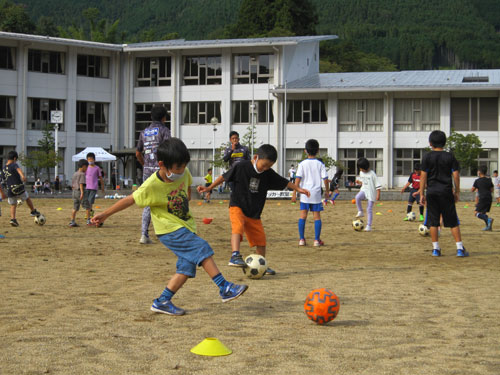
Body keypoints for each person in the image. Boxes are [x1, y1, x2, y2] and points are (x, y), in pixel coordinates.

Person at [91, 138, 248, 316]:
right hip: (169, 230)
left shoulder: (184, 172)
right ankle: (224, 287)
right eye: (177, 168)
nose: (181, 171)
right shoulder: (151, 185)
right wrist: (105, 214)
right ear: (162, 165)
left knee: (186, 269)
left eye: (183, 167)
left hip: (185, 226)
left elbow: (187, 190)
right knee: (202, 248)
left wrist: (187, 196)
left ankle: (162, 301)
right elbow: (130, 199)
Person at [198, 144, 310, 274]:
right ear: (256, 157)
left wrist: (298, 189)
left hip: (254, 212)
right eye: (264, 165)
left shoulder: (268, 173)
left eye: (269, 166)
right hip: (237, 205)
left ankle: (262, 264)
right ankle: (235, 255)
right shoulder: (241, 166)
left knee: (261, 240)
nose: (266, 168)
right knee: (238, 227)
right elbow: (224, 177)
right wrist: (209, 188)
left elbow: (284, 182)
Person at [418, 130, 468, 257]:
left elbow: (423, 176)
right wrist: (457, 191)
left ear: (430, 143)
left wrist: (422, 193)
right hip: (446, 191)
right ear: (444, 143)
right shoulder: (450, 156)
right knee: (453, 221)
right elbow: (456, 175)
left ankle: (436, 249)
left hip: (432, 192)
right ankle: (460, 249)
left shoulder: (427, 157)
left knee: (433, 221)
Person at [135, 105, 171, 244]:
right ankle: (168, 233)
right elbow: (169, 150)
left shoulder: (144, 132)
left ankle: (144, 234)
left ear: (151, 116)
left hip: (147, 171)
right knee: (168, 199)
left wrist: (145, 164)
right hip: (161, 170)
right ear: (164, 118)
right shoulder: (164, 130)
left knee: (148, 203)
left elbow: (138, 153)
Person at [292, 139, 329, 247]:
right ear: (318, 151)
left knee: (303, 216)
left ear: (305, 151)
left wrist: (295, 192)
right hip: (316, 193)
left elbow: (297, 179)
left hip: (304, 193)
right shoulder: (320, 164)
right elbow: (325, 179)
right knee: (317, 217)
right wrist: (327, 191)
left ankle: (302, 239)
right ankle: (316, 240)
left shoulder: (302, 164)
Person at [0, 151, 41, 227]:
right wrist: (23, 176)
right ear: (15, 158)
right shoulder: (14, 164)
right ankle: (33, 211)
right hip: (18, 186)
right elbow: (19, 170)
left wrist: (2, 191)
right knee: (27, 197)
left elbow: (2, 180)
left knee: (13, 204)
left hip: (10, 189)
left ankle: (13, 219)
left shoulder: (3, 168)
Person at [355, 157, 382, 232]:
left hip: (371, 192)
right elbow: (363, 182)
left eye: (361, 168)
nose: (360, 170)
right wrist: (359, 182)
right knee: (357, 197)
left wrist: (378, 194)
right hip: (364, 190)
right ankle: (360, 211)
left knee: (369, 209)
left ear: (365, 167)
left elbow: (378, 184)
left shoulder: (372, 174)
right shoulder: (361, 173)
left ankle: (369, 226)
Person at [84, 152, 105, 226]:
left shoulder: (97, 168)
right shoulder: (86, 168)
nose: (90, 160)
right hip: (86, 187)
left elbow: (100, 178)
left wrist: (102, 186)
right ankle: (90, 211)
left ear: (94, 160)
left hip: (93, 187)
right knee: (86, 203)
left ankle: (88, 219)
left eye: (91, 159)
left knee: (89, 202)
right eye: (89, 159)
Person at [471, 165, 494, 231]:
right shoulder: (489, 179)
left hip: (482, 198)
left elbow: (472, 190)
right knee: (483, 213)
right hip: (489, 198)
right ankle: (488, 227)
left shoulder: (477, 181)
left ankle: (488, 219)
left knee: (476, 213)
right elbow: (492, 190)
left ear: (479, 172)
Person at [69, 159, 89, 227]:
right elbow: (81, 184)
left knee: (75, 207)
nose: (87, 169)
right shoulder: (82, 174)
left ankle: (72, 221)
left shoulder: (75, 173)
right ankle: (88, 221)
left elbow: (72, 183)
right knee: (87, 206)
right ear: (83, 166)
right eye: (86, 167)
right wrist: (82, 192)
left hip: (74, 192)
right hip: (80, 191)